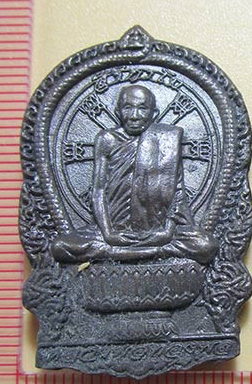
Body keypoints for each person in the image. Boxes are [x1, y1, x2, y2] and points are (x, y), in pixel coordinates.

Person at [51, 85, 218, 265]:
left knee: (207, 246)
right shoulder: (107, 140)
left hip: (157, 232)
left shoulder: (167, 139)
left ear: (154, 113)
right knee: (60, 247)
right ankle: (153, 252)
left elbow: (177, 193)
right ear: (117, 111)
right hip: (114, 231)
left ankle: (123, 253)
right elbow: (98, 191)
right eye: (128, 108)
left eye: (142, 108)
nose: (134, 116)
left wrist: (167, 232)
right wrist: (108, 233)